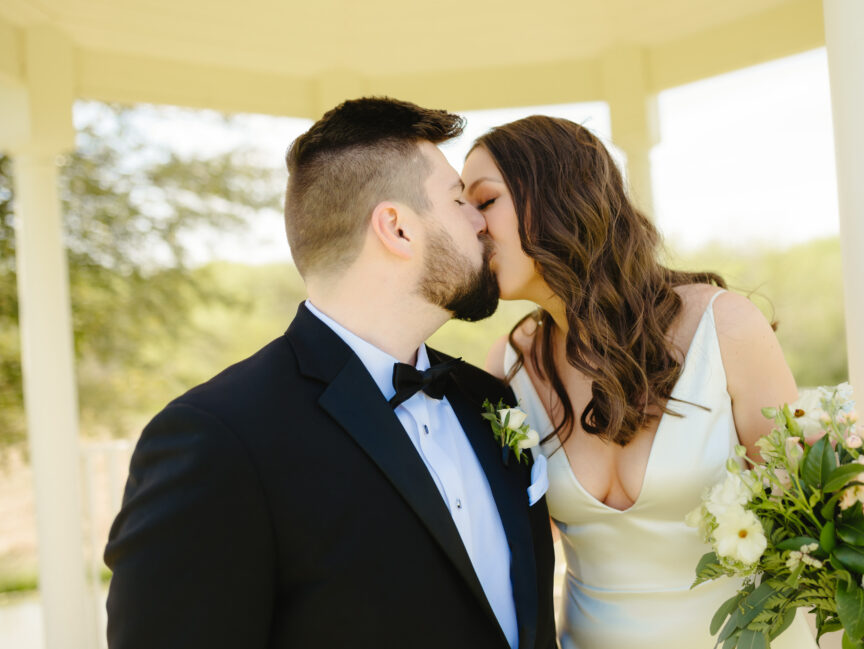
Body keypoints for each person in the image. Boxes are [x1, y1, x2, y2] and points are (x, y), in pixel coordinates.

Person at [104, 97, 557, 649]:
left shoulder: (490, 400)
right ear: (397, 228)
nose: (481, 221)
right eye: (459, 199)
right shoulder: (217, 439)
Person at [460, 115, 818, 649]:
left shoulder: (721, 327)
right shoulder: (510, 368)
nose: (474, 226)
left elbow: (812, 517)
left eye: (485, 202)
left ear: (557, 194)